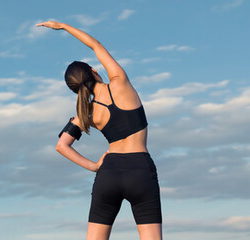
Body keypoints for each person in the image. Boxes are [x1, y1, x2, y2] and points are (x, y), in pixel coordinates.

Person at [39, 20, 162, 240]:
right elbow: (96, 45)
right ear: (94, 71)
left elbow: (61, 145)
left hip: (108, 174)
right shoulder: (120, 83)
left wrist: (94, 166)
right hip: (140, 170)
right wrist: (64, 27)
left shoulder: (85, 113)